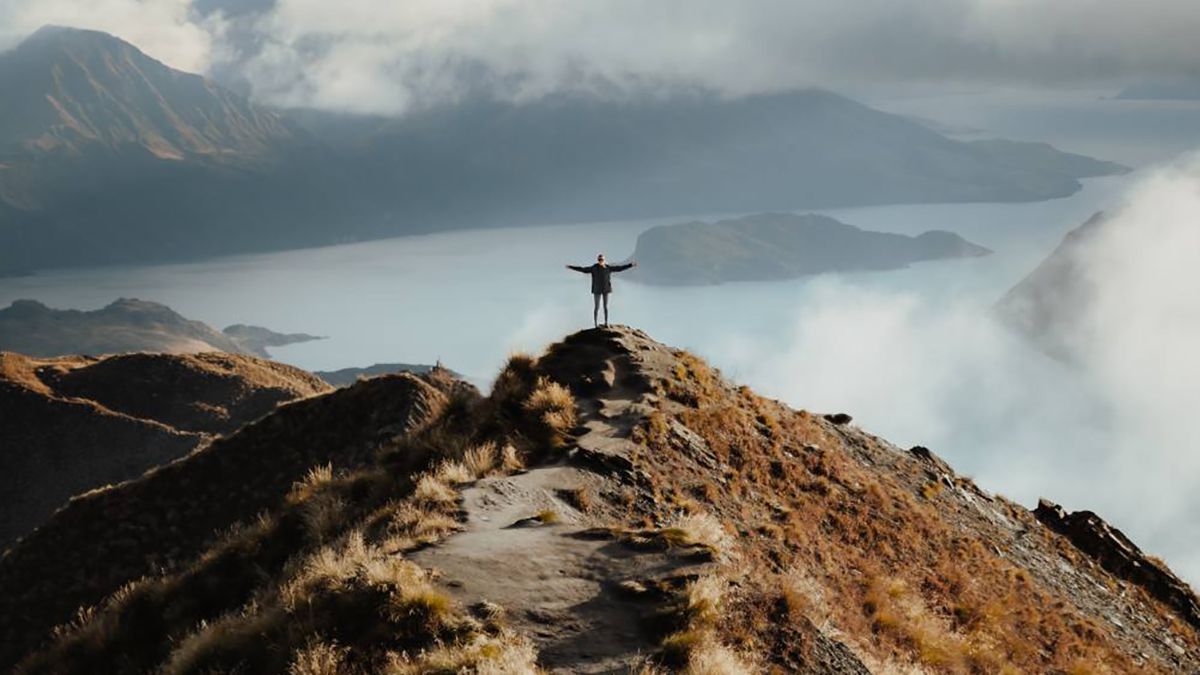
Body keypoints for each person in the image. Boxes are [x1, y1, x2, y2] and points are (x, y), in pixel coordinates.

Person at [566, 254, 637, 327]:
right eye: (599, 260)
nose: (600, 261)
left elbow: (620, 268)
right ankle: (596, 324)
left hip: (606, 290)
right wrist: (571, 267)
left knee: (605, 306)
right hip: (597, 290)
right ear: (597, 260)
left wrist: (630, 265)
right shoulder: (594, 268)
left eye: (602, 260)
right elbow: (583, 269)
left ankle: (606, 323)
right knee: (597, 307)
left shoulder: (608, 268)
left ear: (604, 260)